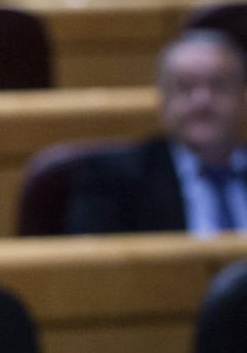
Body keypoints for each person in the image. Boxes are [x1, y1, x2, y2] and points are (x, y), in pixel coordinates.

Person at [67, 30, 247, 235]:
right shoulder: (114, 181)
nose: (202, 101)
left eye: (218, 86)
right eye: (185, 87)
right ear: (164, 102)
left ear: (242, 97)